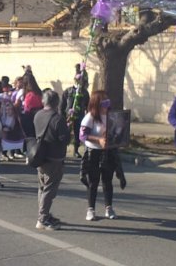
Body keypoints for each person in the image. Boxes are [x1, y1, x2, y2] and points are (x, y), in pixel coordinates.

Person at [79, 91, 123, 221]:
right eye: (104, 103)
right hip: (93, 152)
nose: (106, 106)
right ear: (96, 104)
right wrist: (98, 140)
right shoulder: (90, 117)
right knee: (93, 182)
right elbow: (82, 136)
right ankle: (91, 209)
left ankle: (108, 207)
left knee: (107, 180)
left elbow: (117, 130)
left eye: (108, 103)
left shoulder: (110, 116)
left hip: (108, 152)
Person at [34, 89, 69, 230]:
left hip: (40, 155)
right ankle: (42, 218)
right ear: (57, 103)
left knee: (42, 187)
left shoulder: (38, 115)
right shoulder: (57, 118)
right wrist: (69, 130)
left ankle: (44, 214)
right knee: (49, 189)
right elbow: (64, 139)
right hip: (54, 157)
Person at [60, 70, 89, 158]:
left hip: (79, 115)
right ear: (75, 80)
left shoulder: (84, 92)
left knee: (77, 133)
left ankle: (76, 150)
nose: (80, 81)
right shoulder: (68, 91)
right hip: (68, 116)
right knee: (65, 133)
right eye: (78, 79)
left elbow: (87, 105)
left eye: (81, 80)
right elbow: (62, 104)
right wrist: (62, 116)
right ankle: (62, 150)